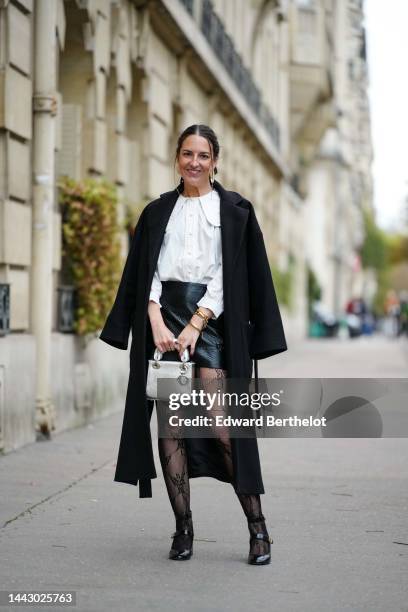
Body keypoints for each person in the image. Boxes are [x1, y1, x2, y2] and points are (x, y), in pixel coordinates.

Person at [99, 124, 287, 565]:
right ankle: (183, 528)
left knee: (224, 429)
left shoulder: (236, 210)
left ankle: (257, 527)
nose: (195, 162)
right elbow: (145, 271)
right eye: (187, 153)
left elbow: (231, 271)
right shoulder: (156, 212)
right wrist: (154, 319)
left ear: (215, 160)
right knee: (172, 429)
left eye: (203, 155)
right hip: (162, 324)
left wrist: (198, 321)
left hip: (213, 324)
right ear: (177, 157)